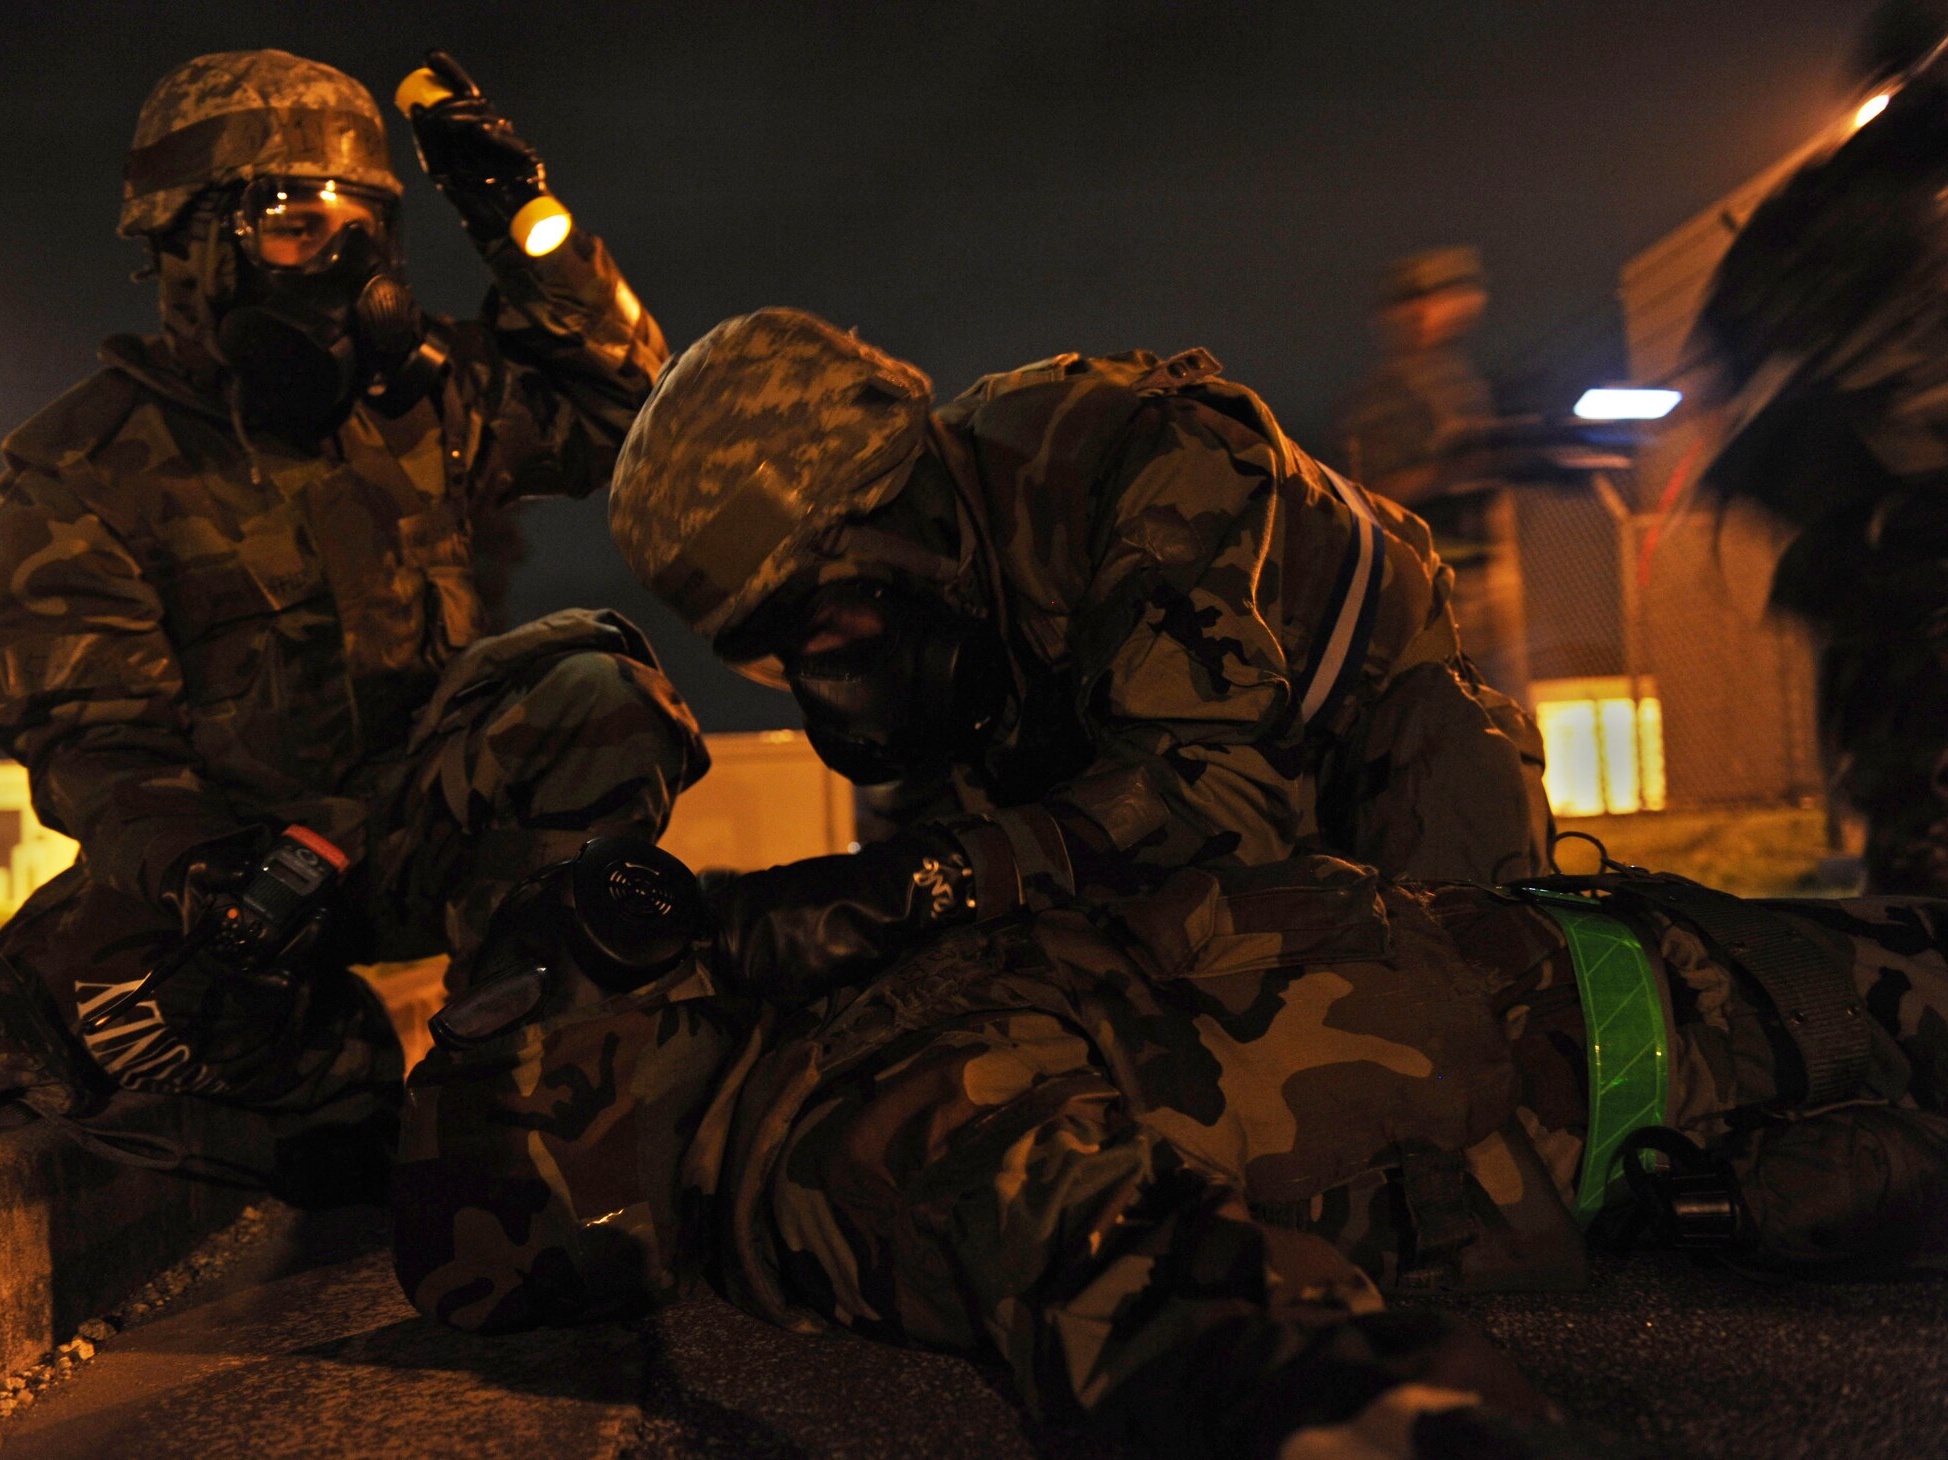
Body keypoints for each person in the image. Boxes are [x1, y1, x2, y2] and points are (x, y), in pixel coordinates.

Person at [391, 834, 1948, 1459]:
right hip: (1729, 1040)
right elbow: (1146, 1294)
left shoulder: (816, 1062)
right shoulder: (847, 1130)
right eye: (591, 971)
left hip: (1711, 981)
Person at [0, 50, 702, 1182]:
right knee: (113, 1024)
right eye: (297, 222)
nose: (347, 260)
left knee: (593, 691)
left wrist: (517, 221)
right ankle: (341, 1080)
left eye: (368, 226)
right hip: (242, 876)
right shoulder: (85, 466)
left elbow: (627, 405)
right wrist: (215, 880)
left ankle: (532, 1069)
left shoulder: (426, 394)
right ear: (194, 243)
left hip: (418, 829)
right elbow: (90, 744)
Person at [604, 308, 1551, 1007]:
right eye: (779, 648)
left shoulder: (1144, 462)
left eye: (819, 621)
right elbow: (940, 836)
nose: (824, 671)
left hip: (1373, 780)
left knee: (1458, 1024)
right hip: (1167, 824)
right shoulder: (942, 578)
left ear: (884, 515)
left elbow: (1216, 805)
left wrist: (919, 887)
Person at [1694, 4, 1948, 898]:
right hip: (1891, 520)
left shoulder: (1819, 200)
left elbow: (1725, 339)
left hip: (1857, 526)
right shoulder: (1876, 184)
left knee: (1904, 793)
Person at [1334, 247, 1496, 510]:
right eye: (1414, 301)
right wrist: (1459, 468)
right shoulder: (1382, 395)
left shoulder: (1461, 383)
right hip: (1415, 542)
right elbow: (1370, 494)